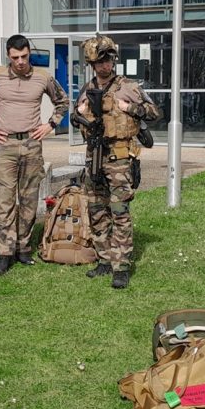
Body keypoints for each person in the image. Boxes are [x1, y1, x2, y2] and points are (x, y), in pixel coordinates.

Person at [0, 35, 68, 275]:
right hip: (5, 146)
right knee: (5, 202)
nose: (20, 62)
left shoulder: (42, 77)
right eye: (15, 57)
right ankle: (5, 252)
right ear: (8, 55)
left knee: (28, 200)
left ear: (29, 53)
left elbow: (62, 100)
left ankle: (23, 248)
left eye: (24, 56)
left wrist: (51, 124)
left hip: (31, 144)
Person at [72, 36, 160, 289]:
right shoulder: (87, 89)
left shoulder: (128, 87)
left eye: (108, 60)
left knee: (120, 213)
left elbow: (154, 112)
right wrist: (78, 114)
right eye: (99, 61)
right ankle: (104, 260)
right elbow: (78, 120)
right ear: (91, 63)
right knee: (97, 211)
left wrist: (131, 108)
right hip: (94, 157)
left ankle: (121, 266)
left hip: (120, 159)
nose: (104, 66)